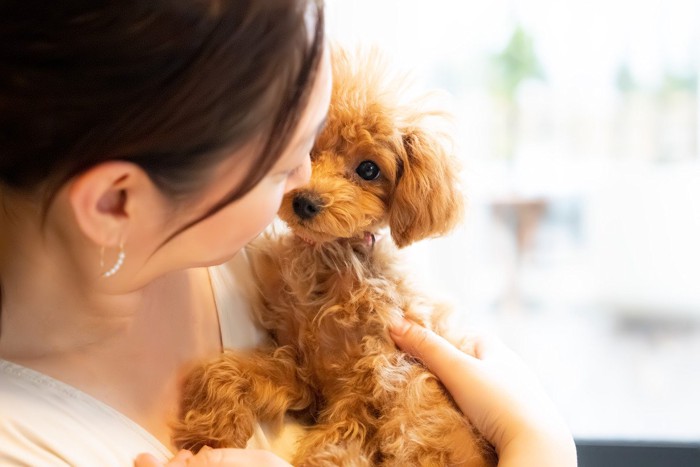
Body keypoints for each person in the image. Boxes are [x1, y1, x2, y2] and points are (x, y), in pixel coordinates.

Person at [0, 1, 577, 466]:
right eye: (288, 159)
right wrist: (537, 451)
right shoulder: (26, 444)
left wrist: (540, 443)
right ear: (117, 202)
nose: (307, 182)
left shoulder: (241, 255)